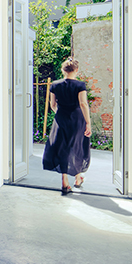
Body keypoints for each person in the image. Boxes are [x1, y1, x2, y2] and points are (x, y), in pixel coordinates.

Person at [42, 57, 92, 195]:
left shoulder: (55, 85)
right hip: (77, 120)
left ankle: (65, 182)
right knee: (77, 147)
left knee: (63, 148)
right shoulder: (80, 85)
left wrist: (61, 113)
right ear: (76, 70)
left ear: (63, 70)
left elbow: (53, 105)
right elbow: (83, 104)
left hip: (61, 120)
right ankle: (77, 179)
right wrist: (88, 122)